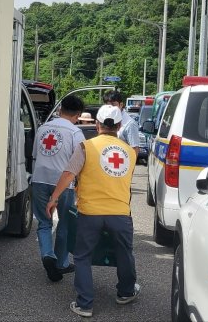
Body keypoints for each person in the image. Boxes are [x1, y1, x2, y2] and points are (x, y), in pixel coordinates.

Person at [46, 105, 140, 318]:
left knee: (82, 256)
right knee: (124, 252)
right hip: (120, 212)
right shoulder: (130, 152)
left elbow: (69, 174)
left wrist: (54, 198)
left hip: (90, 212)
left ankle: (85, 304)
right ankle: (126, 292)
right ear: (118, 125)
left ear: (97, 124)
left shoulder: (86, 147)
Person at [31, 95, 86, 282]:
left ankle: (48, 254)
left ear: (60, 109)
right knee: (64, 223)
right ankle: (61, 263)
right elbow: (79, 163)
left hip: (39, 180)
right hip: (64, 184)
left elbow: (35, 155)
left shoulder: (43, 129)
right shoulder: (75, 133)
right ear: (78, 115)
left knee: (44, 222)